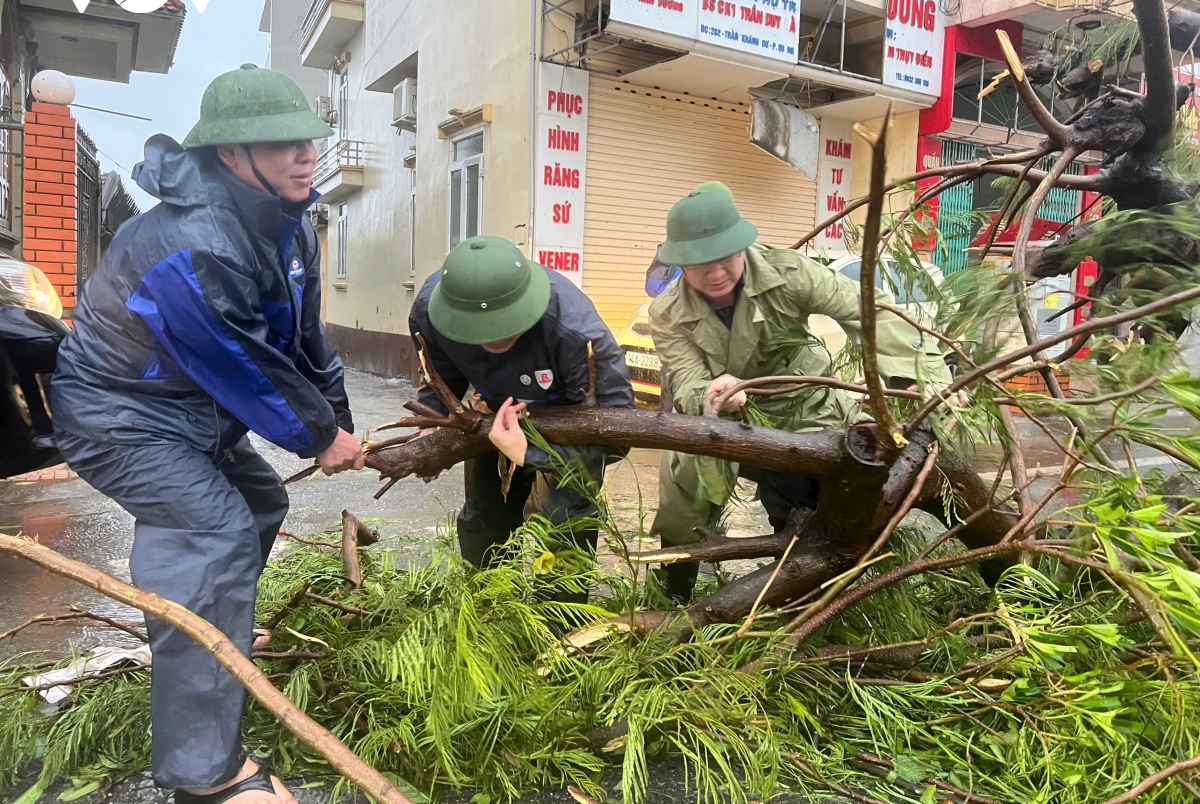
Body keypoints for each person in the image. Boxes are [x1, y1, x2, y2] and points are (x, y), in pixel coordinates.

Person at [50, 65, 363, 804]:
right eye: (280, 143)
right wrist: (316, 434)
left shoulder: (288, 224)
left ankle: (217, 629)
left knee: (258, 502)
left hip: (191, 411)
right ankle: (206, 775)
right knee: (212, 534)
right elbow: (240, 359)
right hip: (118, 413)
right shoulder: (192, 242)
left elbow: (305, 336)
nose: (304, 155)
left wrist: (339, 417)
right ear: (230, 153)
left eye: (307, 140)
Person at [648, 182, 951, 602]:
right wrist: (710, 393)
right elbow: (685, 377)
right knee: (685, 483)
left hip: (804, 404)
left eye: (724, 259)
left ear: (740, 247)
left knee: (801, 503)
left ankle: (804, 594)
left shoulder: (788, 272)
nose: (716, 274)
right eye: (701, 264)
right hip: (725, 416)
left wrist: (923, 375)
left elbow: (867, 310)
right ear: (681, 261)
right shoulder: (666, 312)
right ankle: (674, 586)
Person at [409, 235, 634, 581]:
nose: (493, 336)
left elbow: (616, 437)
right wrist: (432, 420)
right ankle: (488, 606)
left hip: (571, 422)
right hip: (493, 414)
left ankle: (558, 623)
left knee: (565, 523)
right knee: (486, 519)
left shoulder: (577, 332)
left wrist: (531, 454)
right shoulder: (431, 310)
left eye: (505, 324)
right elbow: (440, 368)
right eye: (478, 330)